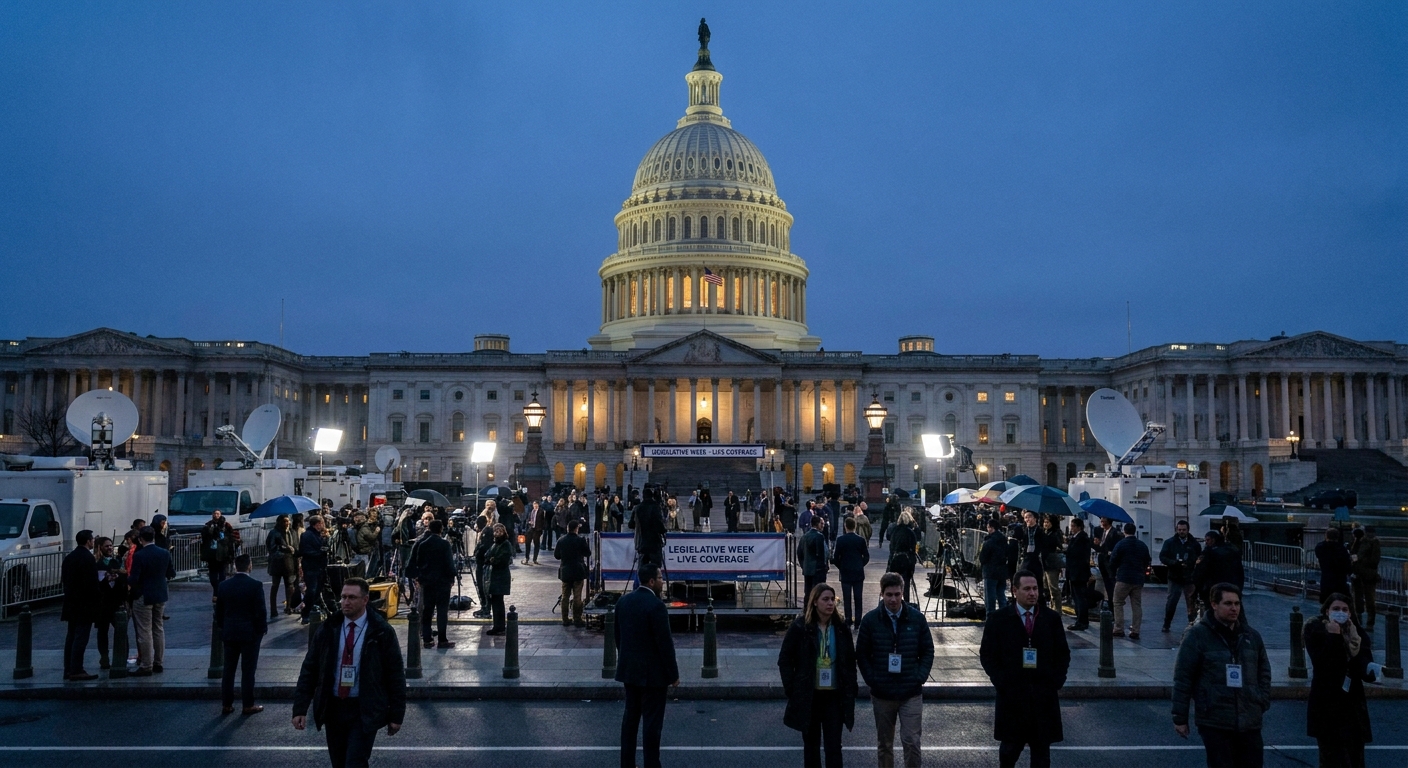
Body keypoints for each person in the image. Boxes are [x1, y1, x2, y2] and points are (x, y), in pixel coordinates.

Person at [293, 577, 406, 768]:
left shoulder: (381, 631)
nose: (346, 602)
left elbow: (395, 674)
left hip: (363, 708)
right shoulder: (329, 628)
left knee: (355, 762)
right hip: (334, 708)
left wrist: (396, 715)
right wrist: (300, 709)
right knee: (338, 762)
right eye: (343, 597)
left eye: (352, 597)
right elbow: (310, 669)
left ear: (365, 600)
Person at [1172, 582, 1270, 768]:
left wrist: (1261, 700)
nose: (1234, 608)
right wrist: (1180, 718)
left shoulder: (1251, 636)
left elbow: (1263, 671)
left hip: (1249, 719)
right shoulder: (1197, 636)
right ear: (1214, 604)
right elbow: (1183, 677)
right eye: (1228, 603)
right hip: (1215, 720)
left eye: (1237, 603)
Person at [979, 570, 1072, 768]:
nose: (1032, 593)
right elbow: (988, 654)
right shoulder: (999, 619)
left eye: (1035, 588)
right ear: (1015, 591)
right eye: (1027, 589)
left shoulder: (1050, 618)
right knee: (1009, 753)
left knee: (1041, 756)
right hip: (1013, 698)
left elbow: (1062, 654)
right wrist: (1001, 681)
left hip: (1043, 698)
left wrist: (1055, 682)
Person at [856, 572, 934, 768]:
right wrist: (872, 680)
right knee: (884, 744)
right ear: (882, 594)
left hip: (910, 691)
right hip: (882, 693)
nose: (893, 599)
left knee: (912, 741)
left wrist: (920, 677)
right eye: (889, 595)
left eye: (897, 594)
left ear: (903, 594)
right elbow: (862, 654)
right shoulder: (871, 620)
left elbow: (927, 650)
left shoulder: (917, 619)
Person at [778, 583, 857, 768]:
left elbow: (850, 662)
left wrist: (850, 690)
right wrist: (793, 689)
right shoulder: (801, 627)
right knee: (811, 747)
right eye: (825, 599)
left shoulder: (841, 628)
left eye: (833, 600)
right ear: (814, 602)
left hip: (834, 697)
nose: (830, 603)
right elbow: (785, 659)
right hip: (810, 696)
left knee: (834, 747)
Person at [615, 563, 680, 768]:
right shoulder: (656, 606)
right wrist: (673, 675)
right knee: (652, 725)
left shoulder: (623, 602)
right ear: (651, 581)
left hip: (629, 671)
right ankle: (651, 764)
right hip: (653, 675)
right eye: (660, 578)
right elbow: (664, 644)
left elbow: (618, 637)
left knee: (630, 721)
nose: (662, 581)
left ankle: (627, 763)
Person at [1303, 592, 1374, 767]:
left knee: (1355, 759)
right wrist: (1334, 637)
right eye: (1336, 609)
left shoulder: (1356, 635)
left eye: (1344, 609)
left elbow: (1364, 666)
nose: (1340, 612)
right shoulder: (1315, 630)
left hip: (1352, 708)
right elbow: (1324, 665)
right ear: (1327, 611)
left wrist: (1370, 668)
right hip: (1327, 707)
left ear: (1350, 613)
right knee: (1333, 760)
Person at [216, 553, 269, 715]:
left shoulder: (224, 586)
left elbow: (219, 612)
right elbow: (260, 611)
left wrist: (223, 628)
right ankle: (248, 704)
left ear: (235, 567)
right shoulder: (255, 585)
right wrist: (261, 630)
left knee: (229, 670)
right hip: (250, 634)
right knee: (248, 671)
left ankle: (227, 704)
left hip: (230, 633)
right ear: (249, 566)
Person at [127, 526, 170, 676]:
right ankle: (159, 662)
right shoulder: (164, 553)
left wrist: (123, 577)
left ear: (140, 539)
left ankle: (146, 665)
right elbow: (171, 572)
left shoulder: (140, 555)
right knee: (158, 628)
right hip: (160, 593)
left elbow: (133, 578)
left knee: (144, 630)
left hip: (144, 594)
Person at [411, 519, 457, 650]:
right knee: (442, 611)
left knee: (428, 611)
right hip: (442, 582)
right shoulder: (444, 544)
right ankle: (442, 639)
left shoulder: (423, 544)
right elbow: (449, 563)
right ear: (441, 529)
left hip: (428, 581)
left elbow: (419, 563)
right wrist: (452, 577)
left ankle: (427, 639)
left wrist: (420, 578)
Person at [61, 529, 99, 681]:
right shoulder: (87, 558)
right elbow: (91, 584)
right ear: (88, 541)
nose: (93, 542)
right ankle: (77, 669)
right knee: (81, 637)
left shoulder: (70, 557)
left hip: (71, 602)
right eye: (92, 540)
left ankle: (68, 668)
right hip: (84, 604)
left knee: (71, 637)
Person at [1109, 522, 1151, 640]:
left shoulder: (1121, 544)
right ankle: (1135, 630)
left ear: (1124, 531)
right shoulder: (1142, 545)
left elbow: (1113, 560)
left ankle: (1118, 629)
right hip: (1138, 579)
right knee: (1136, 604)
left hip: (1123, 577)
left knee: (1117, 602)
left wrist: (1113, 573)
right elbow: (1147, 560)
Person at [1159, 519, 1202, 632]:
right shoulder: (1170, 542)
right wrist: (1174, 563)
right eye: (1179, 530)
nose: (1181, 532)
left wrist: (1192, 563)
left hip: (1189, 576)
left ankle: (1192, 623)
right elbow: (1162, 557)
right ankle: (1167, 623)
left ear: (1188, 530)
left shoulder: (1194, 544)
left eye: (1183, 530)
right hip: (1175, 576)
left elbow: (1199, 557)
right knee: (1172, 601)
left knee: (1191, 602)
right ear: (1176, 530)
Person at [93, 537, 126, 671]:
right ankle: (104, 656)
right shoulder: (97, 563)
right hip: (102, 602)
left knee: (120, 630)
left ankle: (121, 657)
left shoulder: (116, 562)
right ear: (100, 547)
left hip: (116, 601)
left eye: (111, 546)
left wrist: (119, 577)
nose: (110, 548)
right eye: (106, 546)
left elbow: (124, 578)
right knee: (102, 631)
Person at [830, 517, 870, 630]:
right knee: (858, 597)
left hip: (845, 572)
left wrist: (841, 567)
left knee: (846, 598)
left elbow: (836, 557)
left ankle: (848, 619)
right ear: (855, 526)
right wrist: (860, 564)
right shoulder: (860, 540)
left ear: (845, 526)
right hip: (858, 572)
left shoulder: (841, 540)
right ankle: (858, 620)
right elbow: (866, 556)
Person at [1193, 531, 1244, 611]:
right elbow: (1239, 571)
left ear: (1213, 540)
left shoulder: (1209, 552)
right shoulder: (1231, 549)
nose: (1206, 543)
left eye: (1208, 540)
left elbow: (1200, 572)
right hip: (1232, 587)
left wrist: (1199, 588)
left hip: (1213, 588)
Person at [554, 519, 591, 627]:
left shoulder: (561, 540)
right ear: (576, 529)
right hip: (578, 571)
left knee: (565, 596)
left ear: (567, 528)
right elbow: (588, 553)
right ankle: (577, 619)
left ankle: (565, 619)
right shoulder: (580, 540)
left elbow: (557, 556)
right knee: (577, 596)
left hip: (565, 571)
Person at [267, 514, 299, 619]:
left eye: (288, 521)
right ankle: (273, 609)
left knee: (290, 585)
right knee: (275, 585)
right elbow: (271, 548)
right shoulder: (274, 533)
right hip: (277, 563)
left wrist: (295, 555)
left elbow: (296, 546)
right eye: (284, 521)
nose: (287, 523)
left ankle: (289, 606)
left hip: (289, 563)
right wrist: (283, 548)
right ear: (280, 522)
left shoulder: (293, 532)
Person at [300, 516, 330, 623]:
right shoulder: (307, 535)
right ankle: (306, 612)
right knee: (312, 590)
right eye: (321, 523)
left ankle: (313, 608)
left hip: (319, 566)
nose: (323, 525)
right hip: (311, 566)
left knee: (317, 590)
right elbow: (305, 551)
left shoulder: (318, 534)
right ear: (317, 524)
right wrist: (320, 552)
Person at [1350, 526, 1381, 629]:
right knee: (1357, 597)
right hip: (1358, 573)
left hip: (1368, 574)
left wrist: (1359, 560)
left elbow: (1374, 561)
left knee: (1369, 598)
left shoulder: (1374, 543)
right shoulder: (1359, 541)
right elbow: (1353, 552)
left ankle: (1370, 621)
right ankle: (1359, 618)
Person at [484, 523, 513, 636]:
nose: (497, 533)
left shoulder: (505, 544)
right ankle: (497, 626)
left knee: (498, 602)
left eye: (499, 531)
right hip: (493, 576)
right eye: (495, 531)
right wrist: (490, 559)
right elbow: (487, 555)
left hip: (500, 576)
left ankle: (499, 626)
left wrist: (493, 560)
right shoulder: (494, 544)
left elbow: (503, 559)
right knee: (495, 601)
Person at [1064, 518, 1092, 631]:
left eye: (1073, 526)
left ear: (1079, 527)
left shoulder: (1082, 538)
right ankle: (1080, 619)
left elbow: (1077, 554)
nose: (1071, 528)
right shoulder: (1076, 538)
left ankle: (1082, 621)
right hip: (1075, 572)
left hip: (1079, 573)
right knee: (1077, 597)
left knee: (1080, 597)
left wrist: (1067, 550)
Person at [979, 518, 1011, 617]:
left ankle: (990, 617)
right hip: (1002, 572)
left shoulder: (989, 542)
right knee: (1001, 594)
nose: (987, 529)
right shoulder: (1004, 540)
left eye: (988, 527)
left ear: (992, 528)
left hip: (990, 572)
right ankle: (1004, 615)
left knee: (990, 597)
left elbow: (982, 558)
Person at [201, 511, 238, 593]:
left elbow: (231, 537)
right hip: (212, 553)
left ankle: (218, 592)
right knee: (213, 576)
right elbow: (204, 537)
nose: (216, 515)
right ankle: (216, 589)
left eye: (217, 513)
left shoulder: (226, 525)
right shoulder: (208, 525)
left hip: (223, 553)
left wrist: (231, 551)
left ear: (221, 515)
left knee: (222, 573)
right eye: (214, 513)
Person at [886, 512, 918, 604]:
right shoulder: (910, 532)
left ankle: (893, 601)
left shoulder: (895, 531)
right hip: (906, 561)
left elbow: (891, 547)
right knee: (906, 584)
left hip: (895, 560)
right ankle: (906, 603)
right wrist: (912, 564)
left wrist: (889, 562)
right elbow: (913, 550)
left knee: (894, 582)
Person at [1315, 528, 1352, 601]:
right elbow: (1346, 563)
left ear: (1326, 536)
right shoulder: (1341, 548)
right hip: (1339, 578)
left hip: (1326, 576)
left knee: (1326, 599)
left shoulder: (1320, 547)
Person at [798, 515, 829, 599]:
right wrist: (824, 567)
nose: (822, 525)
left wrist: (803, 565)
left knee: (807, 592)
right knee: (818, 593)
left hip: (807, 569)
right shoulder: (819, 536)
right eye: (821, 523)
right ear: (817, 524)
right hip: (817, 570)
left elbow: (799, 553)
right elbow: (821, 553)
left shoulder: (804, 536)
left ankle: (806, 609)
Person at [1094, 516, 1122, 603]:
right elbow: (1100, 547)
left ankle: (1113, 600)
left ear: (1108, 521)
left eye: (1103, 520)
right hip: (1102, 560)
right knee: (1106, 581)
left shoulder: (1115, 533)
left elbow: (1114, 548)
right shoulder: (1101, 532)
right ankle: (1110, 599)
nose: (1101, 521)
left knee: (1111, 582)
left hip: (1109, 561)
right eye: (1101, 520)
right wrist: (1097, 544)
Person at [523, 500, 547, 565]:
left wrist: (541, 529)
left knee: (536, 544)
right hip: (530, 529)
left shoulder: (541, 511)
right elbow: (528, 519)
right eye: (534, 504)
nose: (535, 506)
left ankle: (535, 559)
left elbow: (544, 521)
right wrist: (529, 522)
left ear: (538, 505)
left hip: (537, 530)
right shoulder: (531, 511)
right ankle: (527, 558)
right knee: (527, 543)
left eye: (536, 504)